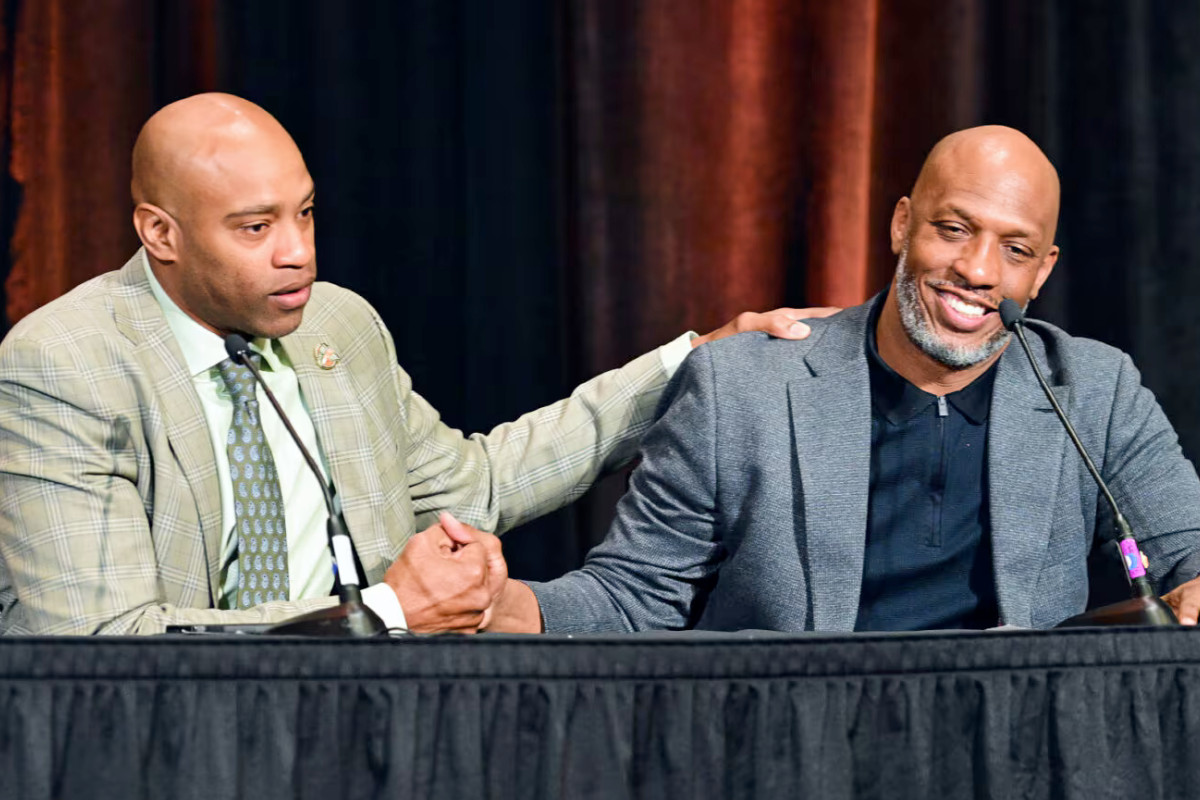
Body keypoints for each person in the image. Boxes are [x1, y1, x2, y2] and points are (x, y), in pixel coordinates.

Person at [0, 92, 833, 635]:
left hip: (374, 728)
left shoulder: (338, 325)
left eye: (305, 213)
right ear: (161, 233)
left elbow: (476, 487)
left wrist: (688, 365)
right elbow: (101, 642)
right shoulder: (65, 366)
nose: (298, 252)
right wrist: (383, 614)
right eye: (255, 228)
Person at [487, 125, 1200, 633]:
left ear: (1042, 272)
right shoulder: (741, 388)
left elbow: (1188, 553)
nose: (978, 271)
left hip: (1014, 750)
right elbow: (633, 596)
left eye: (1015, 250)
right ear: (902, 225)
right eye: (954, 229)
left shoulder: (1094, 390)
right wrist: (496, 603)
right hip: (799, 746)